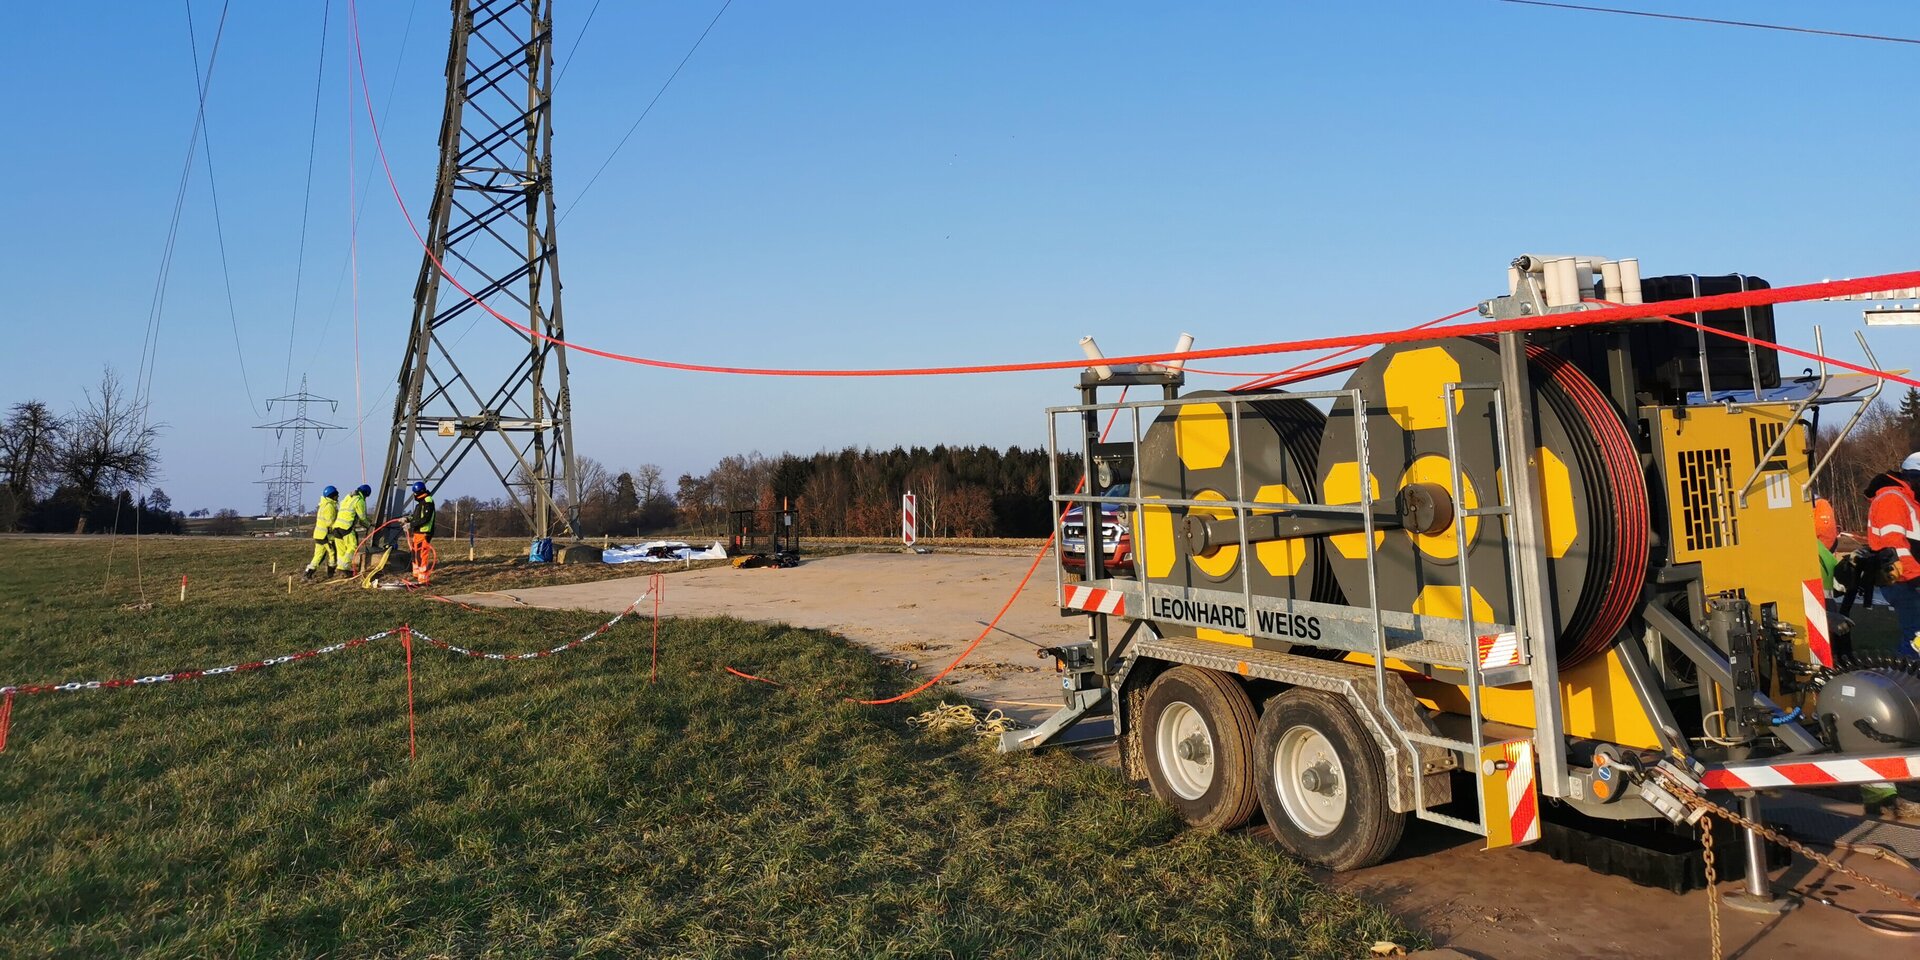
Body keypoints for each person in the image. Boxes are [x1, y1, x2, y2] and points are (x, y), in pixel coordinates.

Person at [1863, 453, 1920, 661]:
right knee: (1916, 637)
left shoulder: (1907, 500)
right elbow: (1894, 547)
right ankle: (1907, 680)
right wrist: (1915, 577)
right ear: (1914, 477)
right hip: (1904, 580)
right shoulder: (1893, 499)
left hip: (1907, 579)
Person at [332, 483, 372, 577]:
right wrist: (369, 525)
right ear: (366, 494)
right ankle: (342, 568)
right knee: (352, 547)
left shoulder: (348, 497)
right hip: (346, 528)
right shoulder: (359, 500)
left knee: (341, 551)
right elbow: (362, 518)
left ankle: (342, 570)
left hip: (336, 527)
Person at [304, 486, 340, 580]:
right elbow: (330, 522)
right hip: (325, 536)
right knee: (332, 552)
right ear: (332, 496)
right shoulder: (329, 506)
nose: (338, 496)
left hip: (319, 535)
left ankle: (308, 573)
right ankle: (331, 573)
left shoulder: (323, 505)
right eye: (336, 494)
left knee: (318, 555)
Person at [404, 481, 437, 584]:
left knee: (422, 556)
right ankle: (416, 576)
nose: (413, 495)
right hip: (418, 533)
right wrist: (407, 519)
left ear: (418, 492)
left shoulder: (427, 501)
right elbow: (416, 517)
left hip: (424, 533)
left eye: (414, 493)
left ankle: (423, 579)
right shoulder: (421, 503)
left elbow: (425, 519)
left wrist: (411, 525)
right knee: (415, 555)